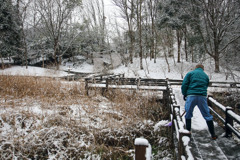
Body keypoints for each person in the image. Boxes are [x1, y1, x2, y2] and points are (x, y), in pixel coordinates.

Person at [181, 64, 218, 140]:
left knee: (188, 114)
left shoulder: (190, 73)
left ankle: (188, 133)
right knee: (207, 114)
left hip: (191, 96)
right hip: (202, 97)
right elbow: (206, 85)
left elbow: (184, 84)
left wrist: (184, 93)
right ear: (202, 69)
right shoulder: (205, 76)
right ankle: (213, 134)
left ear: (196, 68)